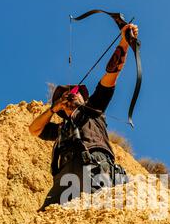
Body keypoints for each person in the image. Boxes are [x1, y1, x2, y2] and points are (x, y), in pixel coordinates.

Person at [29, 23, 139, 211]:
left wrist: (124, 41)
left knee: (101, 211)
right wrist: (54, 108)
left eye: (76, 91)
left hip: (95, 164)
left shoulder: (93, 109)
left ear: (84, 97)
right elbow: (34, 129)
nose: (73, 94)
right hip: (65, 177)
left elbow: (111, 74)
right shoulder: (62, 128)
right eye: (67, 93)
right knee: (46, 217)